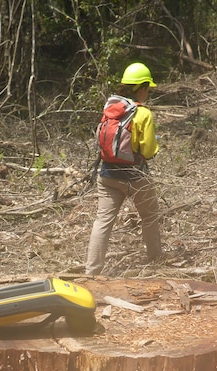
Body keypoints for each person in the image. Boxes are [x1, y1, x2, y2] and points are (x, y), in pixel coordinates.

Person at [85, 62, 163, 275]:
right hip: (135, 176)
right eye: (148, 88)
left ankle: (91, 272)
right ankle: (156, 261)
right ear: (142, 87)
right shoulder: (143, 114)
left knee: (102, 222)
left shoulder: (110, 108)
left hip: (107, 174)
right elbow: (147, 151)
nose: (148, 92)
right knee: (149, 217)